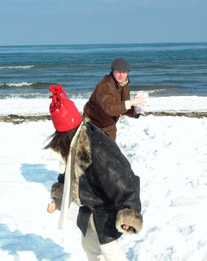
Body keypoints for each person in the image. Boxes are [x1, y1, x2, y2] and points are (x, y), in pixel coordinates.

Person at [45, 84, 143, 261]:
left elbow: (122, 180)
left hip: (107, 208)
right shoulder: (75, 143)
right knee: (89, 247)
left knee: (109, 251)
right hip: (89, 208)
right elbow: (69, 173)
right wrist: (58, 198)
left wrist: (129, 212)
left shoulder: (96, 150)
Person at [83, 58, 147, 141]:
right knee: (92, 152)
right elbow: (110, 109)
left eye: (124, 72)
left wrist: (137, 111)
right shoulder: (105, 85)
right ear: (113, 71)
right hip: (93, 124)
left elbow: (123, 107)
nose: (121, 75)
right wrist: (132, 102)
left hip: (109, 125)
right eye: (118, 71)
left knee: (111, 152)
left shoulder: (124, 85)